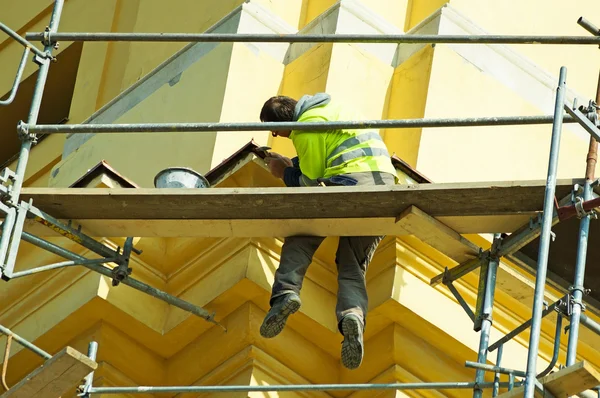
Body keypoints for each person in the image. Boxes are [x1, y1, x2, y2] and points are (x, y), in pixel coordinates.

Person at [258, 93, 397, 370]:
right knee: (352, 263)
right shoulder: (331, 109)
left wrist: (282, 173)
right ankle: (353, 316)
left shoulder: (304, 127)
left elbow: (310, 181)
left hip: (350, 184)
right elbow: (327, 154)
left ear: (284, 120)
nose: (275, 135)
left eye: (274, 129)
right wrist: (293, 163)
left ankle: (285, 294)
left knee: (303, 234)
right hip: (384, 188)